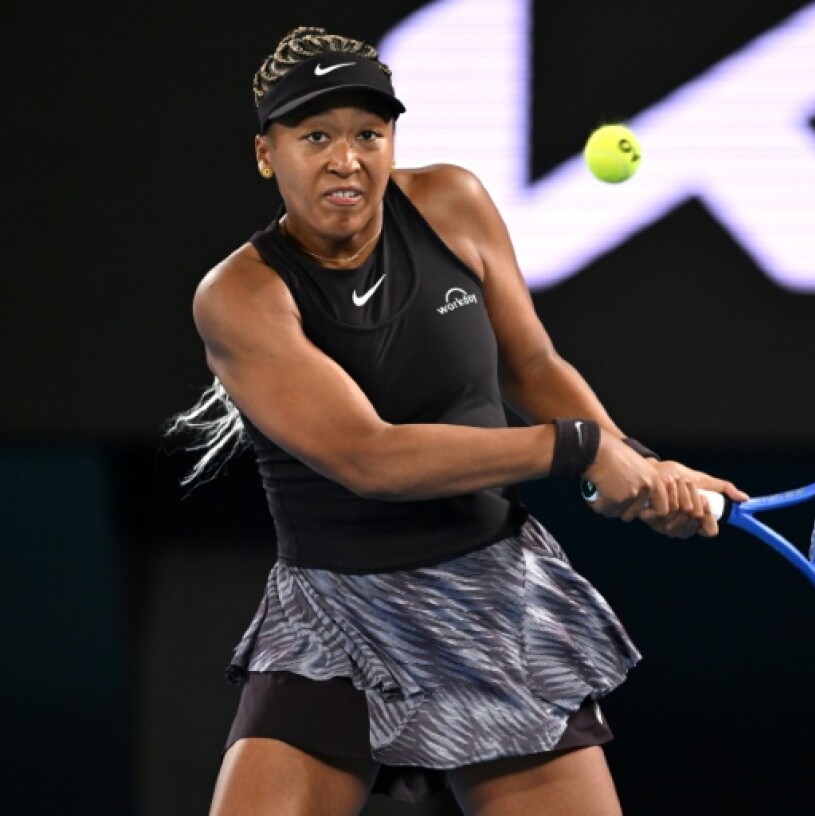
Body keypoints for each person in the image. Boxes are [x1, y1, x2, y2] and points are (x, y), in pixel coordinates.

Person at [169, 26, 748, 816]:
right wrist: (580, 451)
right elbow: (370, 458)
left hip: (492, 603)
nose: (348, 159)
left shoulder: (452, 203)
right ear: (267, 153)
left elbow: (533, 366)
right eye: (316, 137)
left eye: (369, 134)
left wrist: (633, 461)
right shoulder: (240, 296)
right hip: (333, 620)